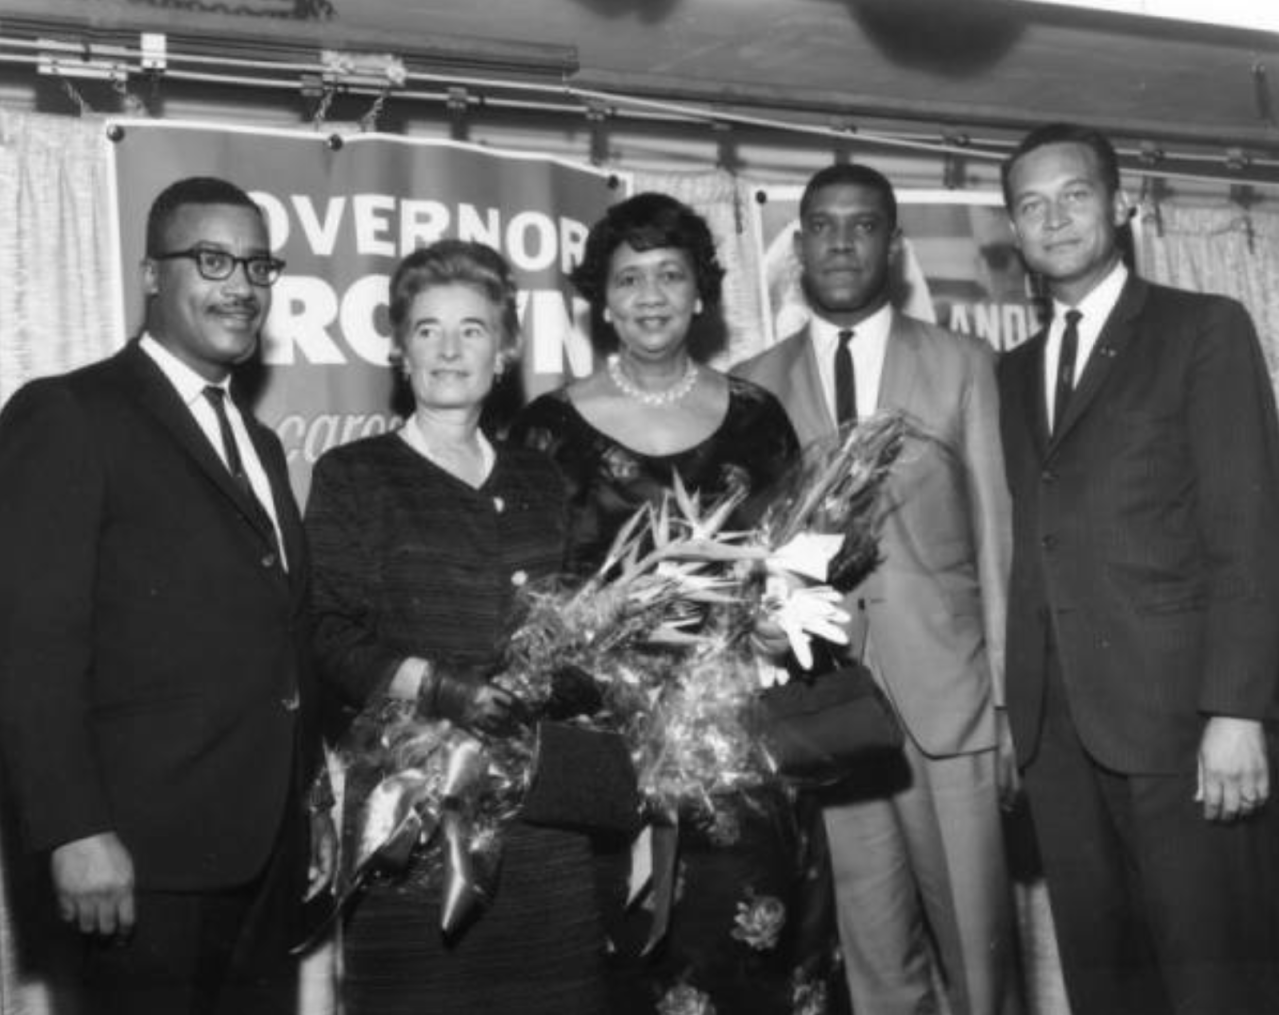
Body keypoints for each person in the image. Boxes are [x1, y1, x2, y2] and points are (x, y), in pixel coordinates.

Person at [0, 176, 333, 1015]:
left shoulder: (257, 439)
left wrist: (309, 801)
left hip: (262, 859)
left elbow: (279, 638)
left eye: (259, 266)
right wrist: (73, 829)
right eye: (212, 259)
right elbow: (30, 644)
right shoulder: (69, 412)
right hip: (136, 863)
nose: (242, 286)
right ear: (152, 275)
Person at [998, 122, 1279, 1015]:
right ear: (1012, 231)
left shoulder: (1201, 329)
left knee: (1213, 980)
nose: (1053, 220)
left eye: (1073, 195)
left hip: (1181, 732)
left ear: (1119, 206)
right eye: (1029, 205)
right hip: (1059, 738)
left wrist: (1236, 709)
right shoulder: (1007, 375)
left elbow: (1249, 530)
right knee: (1106, 985)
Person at [734, 162, 1019, 1015]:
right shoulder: (753, 384)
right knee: (871, 960)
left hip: (952, 703)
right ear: (798, 245)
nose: (841, 242)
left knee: (979, 952)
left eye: (862, 225)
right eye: (822, 225)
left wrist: (1006, 706)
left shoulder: (966, 364)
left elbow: (999, 542)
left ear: (893, 246)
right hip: (824, 709)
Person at [508, 192, 804, 1015]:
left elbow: (797, 567)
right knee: (612, 971)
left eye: (669, 275)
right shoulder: (547, 427)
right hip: (600, 756)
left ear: (700, 294)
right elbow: (521, 597)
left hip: (737, 751)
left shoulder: (756, 418)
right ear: (601, 301)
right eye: (627, 277)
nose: (649, 296)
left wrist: (780, 622)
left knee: (741, 963)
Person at [305, 239, 608, 1015]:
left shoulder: (542, 478)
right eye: (427, 328)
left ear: (503, 351)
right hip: (412, 816)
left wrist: (560, 672)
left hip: (545, 816)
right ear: (398, 347)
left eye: (471, 329)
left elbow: (580, 637)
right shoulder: (353, 475)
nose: (448, 349)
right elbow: (326, 633)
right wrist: (442, 688)